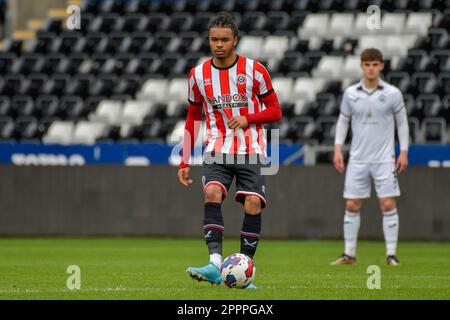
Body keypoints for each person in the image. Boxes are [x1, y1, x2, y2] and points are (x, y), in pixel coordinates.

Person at [177, 12, 282, 288]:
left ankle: (244, 272)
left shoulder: (255, 71)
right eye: (214, 40)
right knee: (211, 192)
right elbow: (193, 117)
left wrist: (249, 118)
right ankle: (214, 264)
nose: (218, 45)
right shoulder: (198, 75)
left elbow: (275, 110)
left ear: (235, 40)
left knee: (253, 203)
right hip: (216, 148)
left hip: (251, 149)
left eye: (224, 40)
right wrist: (184, 158)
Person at [331, 48, 409, 266]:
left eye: (375, 64)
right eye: (367, 64)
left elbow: (402, 123)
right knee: (352, 205)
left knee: (387, 203)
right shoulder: (351, 93)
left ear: (381, 66)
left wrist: (403, 151)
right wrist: (338, 149)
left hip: (385, 159)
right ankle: (349, 254)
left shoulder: (393, 93)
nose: (371, 68)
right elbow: (343, 121)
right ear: (361, 66)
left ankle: (391, 255)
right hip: (357, 159)